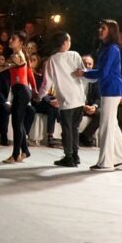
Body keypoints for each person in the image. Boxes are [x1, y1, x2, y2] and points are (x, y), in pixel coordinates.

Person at [80, 20, 122, 171]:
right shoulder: (106, 48)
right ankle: (121, 158)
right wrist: (86, 73)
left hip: (111, 89)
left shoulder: (112, 49)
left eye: (104, 28)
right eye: (100, 27)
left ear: (111, 31)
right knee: (112, 125)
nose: (100, 30)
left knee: (106, 126)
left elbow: (103, 72)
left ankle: (106, 162)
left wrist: (83, 73)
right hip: (109, 88)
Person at [40, 31, 88, 168]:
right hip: (78, 97)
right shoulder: (75, 55)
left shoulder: (52, 60)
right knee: (74, 128)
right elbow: (83, 73)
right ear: (65, 42)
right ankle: (75, 155)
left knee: (67, 129)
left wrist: (40, 95)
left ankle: (69, 156)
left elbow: (47, 82)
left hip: (66, 99)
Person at [0, 32, 34, 163]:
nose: (10, 40)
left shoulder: (17, 56)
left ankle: (15, 155)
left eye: (13, 39)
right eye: (11, 38)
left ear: (21, 43)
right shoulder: (18, 56)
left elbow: (4, 68)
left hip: (22, 91)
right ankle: (25, 151)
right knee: (18, 123)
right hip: (20, 91)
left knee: (16, 124)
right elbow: (28, 72)